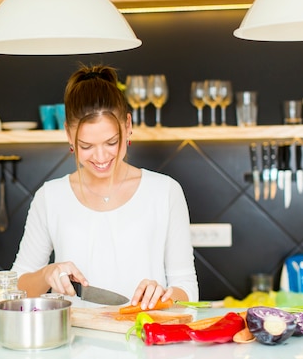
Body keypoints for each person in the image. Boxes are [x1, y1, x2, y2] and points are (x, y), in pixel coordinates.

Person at [11, 64, 198, 310]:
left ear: (128, 126)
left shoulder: (165, 192)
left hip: (145, 342)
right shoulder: (51, 197)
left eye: (111, 142)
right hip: (73, 344)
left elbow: (188, 290)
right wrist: (47, 274)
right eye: (86, 146)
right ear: (68, 134)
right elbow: (14, 289)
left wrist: (163, 295)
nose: (100, 157)